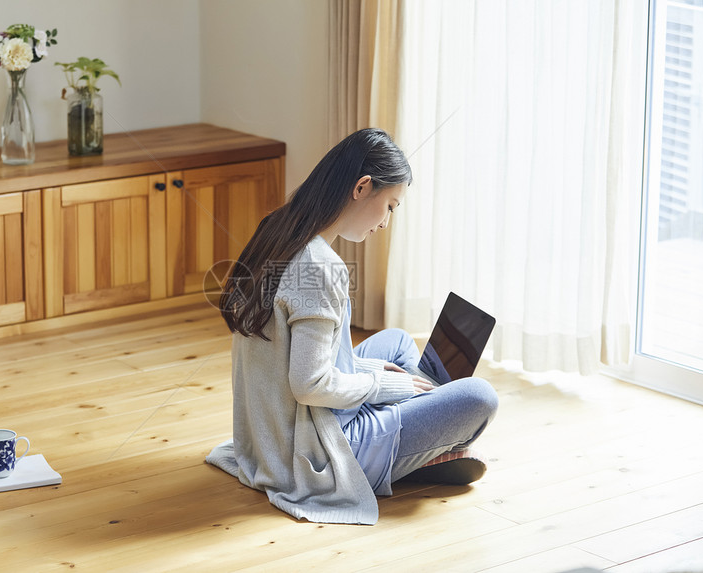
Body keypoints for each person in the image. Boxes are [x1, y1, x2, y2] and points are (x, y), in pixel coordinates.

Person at [206, 128, 498, 525]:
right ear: (362, 187)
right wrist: (382, 386)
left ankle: (421, 429)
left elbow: (292, 356)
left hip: (268, 433)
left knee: (395, 343)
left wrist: (373, 373)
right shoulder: (320, 266)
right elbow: (309, 385)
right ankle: (417, 446)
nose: (386, 222)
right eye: (391, 206)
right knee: (479, 396)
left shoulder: (278, 227)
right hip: (317, 445)